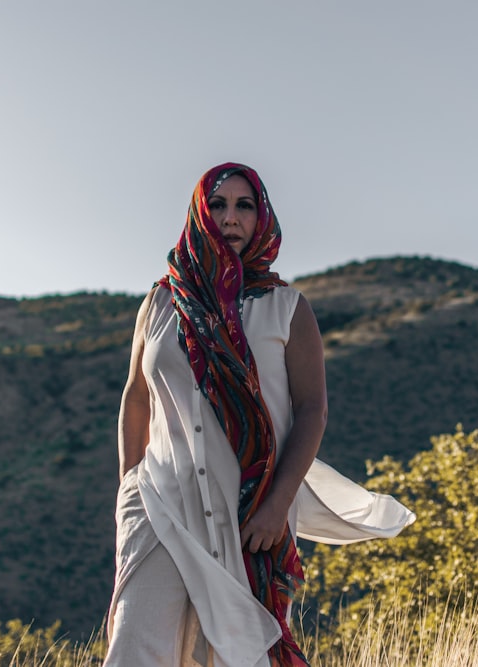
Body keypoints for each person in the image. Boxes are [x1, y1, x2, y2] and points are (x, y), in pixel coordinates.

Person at [104, 163, 415, 667]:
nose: (231, 218)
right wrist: (127, 487)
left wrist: (277, 505)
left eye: (244, 206)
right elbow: (136, 396)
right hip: (158, 502)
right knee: (136, 648)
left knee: (234, 654)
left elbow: (312, 410)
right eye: (219, 205)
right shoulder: (162, 302)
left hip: (249, 512)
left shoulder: (287, 308)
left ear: (261, 217)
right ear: (200, 214)